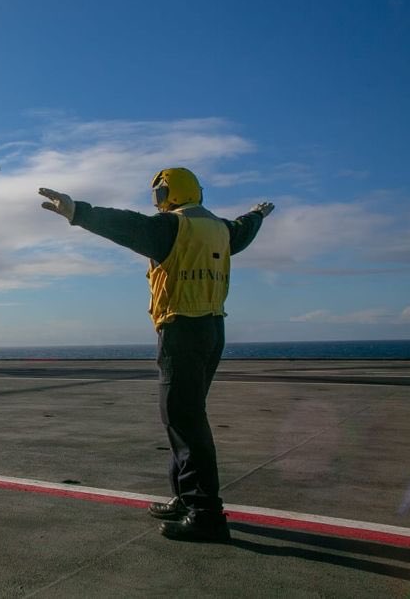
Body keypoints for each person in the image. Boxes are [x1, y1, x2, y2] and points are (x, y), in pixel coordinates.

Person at [39, 168, 273, 542]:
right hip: (213, 329)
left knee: (185, 420)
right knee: (184, 417)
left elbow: (126, 226)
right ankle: (185, 498)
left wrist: (77, 212)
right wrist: (259, 215)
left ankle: (206, 514)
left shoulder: (172, 228)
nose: (157, 202)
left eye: (159, 194)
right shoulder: (220, 229)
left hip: (182, 328)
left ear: (171, 194)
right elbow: (244, 228)